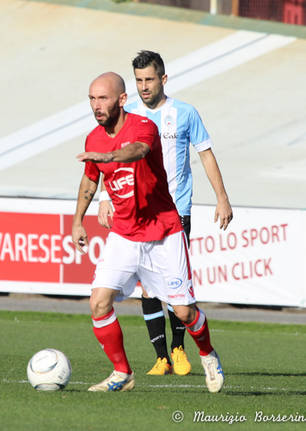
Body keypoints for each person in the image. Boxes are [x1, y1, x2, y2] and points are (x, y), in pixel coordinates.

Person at [72, 71, 224, 393]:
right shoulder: (93, 139)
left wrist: (110, 156)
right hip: (125, 235)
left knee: (183, 311)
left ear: (122, 99)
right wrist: (77, 221)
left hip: (163, 231)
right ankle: (122, 372)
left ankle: (208, 354)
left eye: (103, 98)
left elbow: (138, 151)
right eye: (91, 99)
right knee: (99, 302)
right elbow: (90, 179)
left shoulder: (144, 126)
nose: (96, 106)